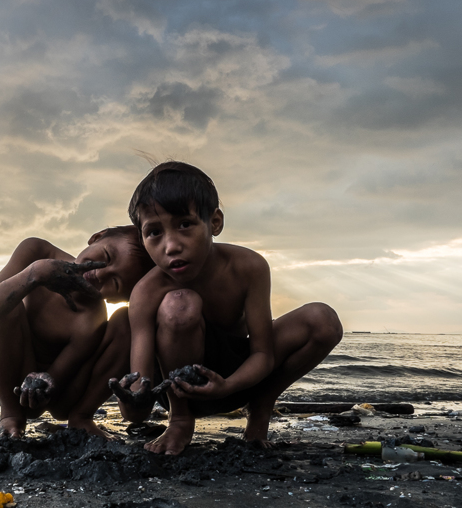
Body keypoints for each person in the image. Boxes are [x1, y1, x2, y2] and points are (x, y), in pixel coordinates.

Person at [109, 162, 343, 455]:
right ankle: (180, 421)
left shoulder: (248, 267)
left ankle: (260, 409)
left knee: (323, 321)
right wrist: (131, 400)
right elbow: (139, 395)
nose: (171, 246)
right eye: (154, 232)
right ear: (142, 239)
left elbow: (262, 354)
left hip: (240, 381)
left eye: (184, 224)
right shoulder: (147, 292)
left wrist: (229, 386)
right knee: (180, 304)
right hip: (180, 393)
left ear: (215, 222)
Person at [0, 226, 154, 441]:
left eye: (114, 283)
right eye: (106, 257)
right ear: (96, 237)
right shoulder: (37, 251)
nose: (100, 273)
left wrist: (42, 388)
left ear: (115, 299)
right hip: (15, 376)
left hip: (54, 393)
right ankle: (10, 415)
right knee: (6, 301)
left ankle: (81, 416)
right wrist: (37, 273)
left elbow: (56, 379)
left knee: (126, 320)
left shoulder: (90, 319)